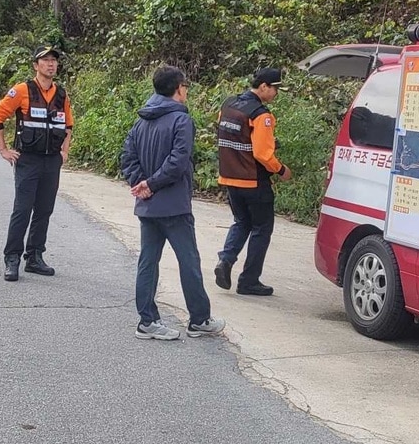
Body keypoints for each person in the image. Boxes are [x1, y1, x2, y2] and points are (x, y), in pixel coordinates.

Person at [119, 66, 226, 341]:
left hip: (148, 206)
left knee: (148, 262)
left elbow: (127, 157)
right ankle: (199, 319)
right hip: (174, 206)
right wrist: (152, 184)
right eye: (186, 86)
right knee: (188, 262)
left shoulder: (140, 122)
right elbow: (178, 163)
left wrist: (141, 184)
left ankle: (147, 321)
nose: (187, 90)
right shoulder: (182, 121)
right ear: (178, 89)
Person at [0, 45, 73, 282]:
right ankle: (12, 258)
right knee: (23, 209)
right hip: (28, 160)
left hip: (51, 161)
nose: (51, 64)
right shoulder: (22, 91)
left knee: (44, 209)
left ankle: (35, 256)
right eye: (45, 60)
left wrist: (64, 152)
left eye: (54, 61)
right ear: (36, 66)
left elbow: (68, 126)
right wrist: (3, 149)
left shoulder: (61, 94)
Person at [214, 67, 292, 296]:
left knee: (241, 222)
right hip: (254, 181)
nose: (276, 94)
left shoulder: (228, 105)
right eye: (275, 89)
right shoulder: (261, 115)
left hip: (229, 177)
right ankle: (249, 280)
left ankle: (225, 261)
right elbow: (262, 154)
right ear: (264, 86)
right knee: (262, 228)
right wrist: (281, 170)